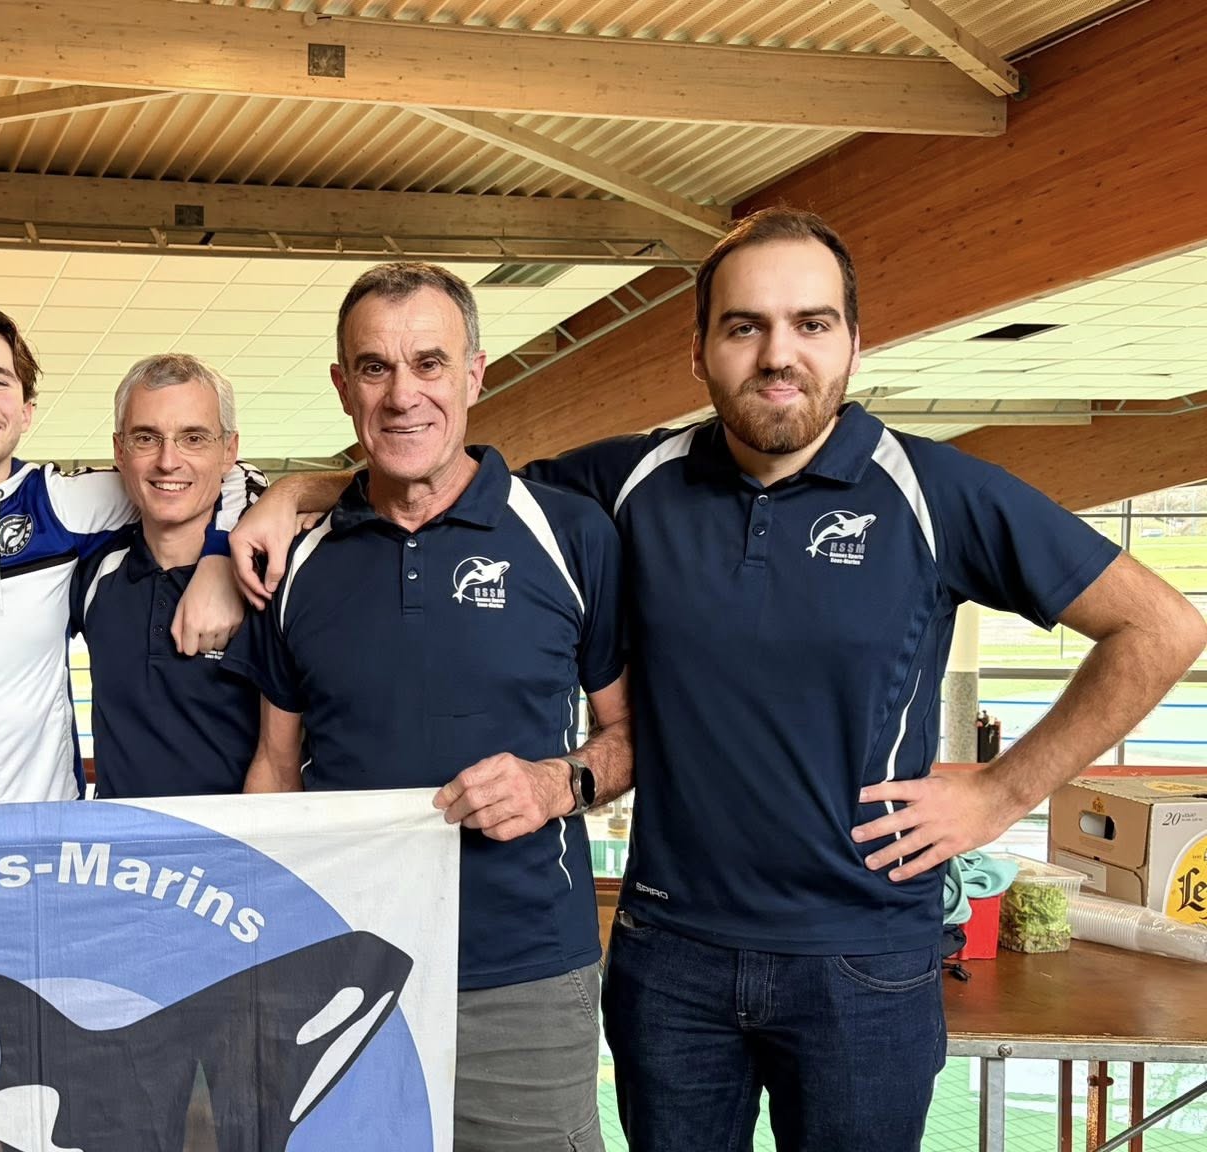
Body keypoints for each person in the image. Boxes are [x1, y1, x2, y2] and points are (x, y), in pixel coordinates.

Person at [236, 210, 1207, 1152]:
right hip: (671, 960)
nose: (777, 355)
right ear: (698, 352)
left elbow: (1159, 628)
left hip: (860, 960)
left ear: (853, 344)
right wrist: (287, 495)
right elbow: (433, 471)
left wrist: (1002, 792)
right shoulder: (626, 485)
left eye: (809, 324)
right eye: (744, 327)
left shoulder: (934, 491)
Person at [223, 262, 631, 1152]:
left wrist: (557, 784)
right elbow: (275, 767)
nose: (403, 395)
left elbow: (629, 733)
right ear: (344, 388)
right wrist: (262, 941)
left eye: (430, 364)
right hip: (343, 968)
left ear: (475, 374)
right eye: (375, 368)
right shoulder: (298, 561)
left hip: (523, 979)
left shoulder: (569, 535)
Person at [0, 305, 259, 805]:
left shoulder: (65, 503)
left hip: (48, 829)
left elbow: (232, 476)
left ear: (26, 410)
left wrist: (218, 558)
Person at [69, 353, 276, 797]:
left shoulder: (273, 574)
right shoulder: (91, 572)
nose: (168, 461)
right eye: (146, 438)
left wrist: (222, 554)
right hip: (122, 840)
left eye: (193, 438)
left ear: (230, 451)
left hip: (239, 838)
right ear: (119, 450)